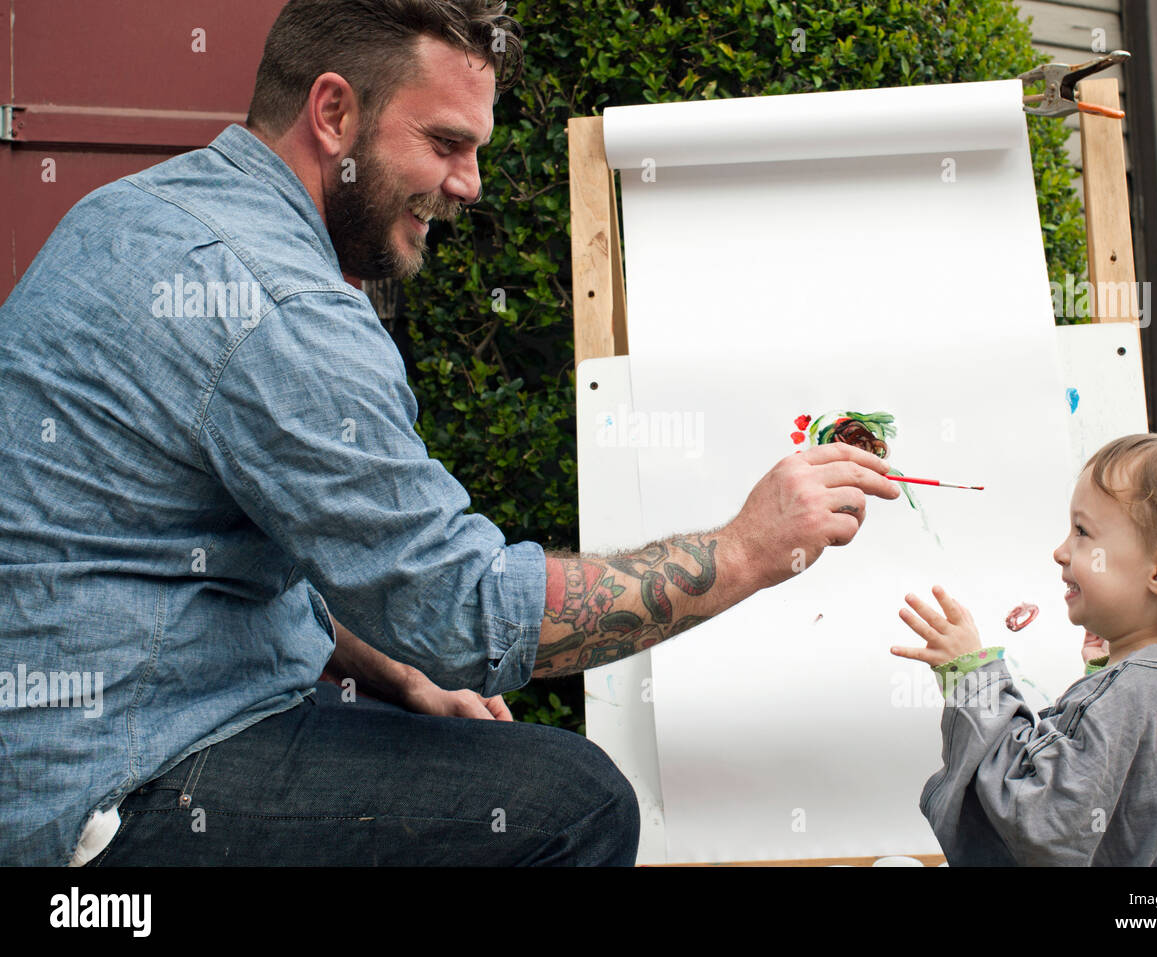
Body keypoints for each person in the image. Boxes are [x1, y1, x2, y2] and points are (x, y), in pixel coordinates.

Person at [0, 0, 900, 867]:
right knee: (572, 805)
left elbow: (213, 556)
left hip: (67, 746)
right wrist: (745, 549)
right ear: (334, 112)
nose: (468, 183)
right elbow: (465, 608)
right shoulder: (283, 306)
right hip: (109, 791)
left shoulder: (132, 214)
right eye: (445, 144)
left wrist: (396, 666)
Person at [891, 432, 1157, 865]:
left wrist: (971, 679)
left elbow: (1035, 819)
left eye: (1082, 532)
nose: (1060, 552)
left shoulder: (1128, 692)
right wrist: (1103, 674)